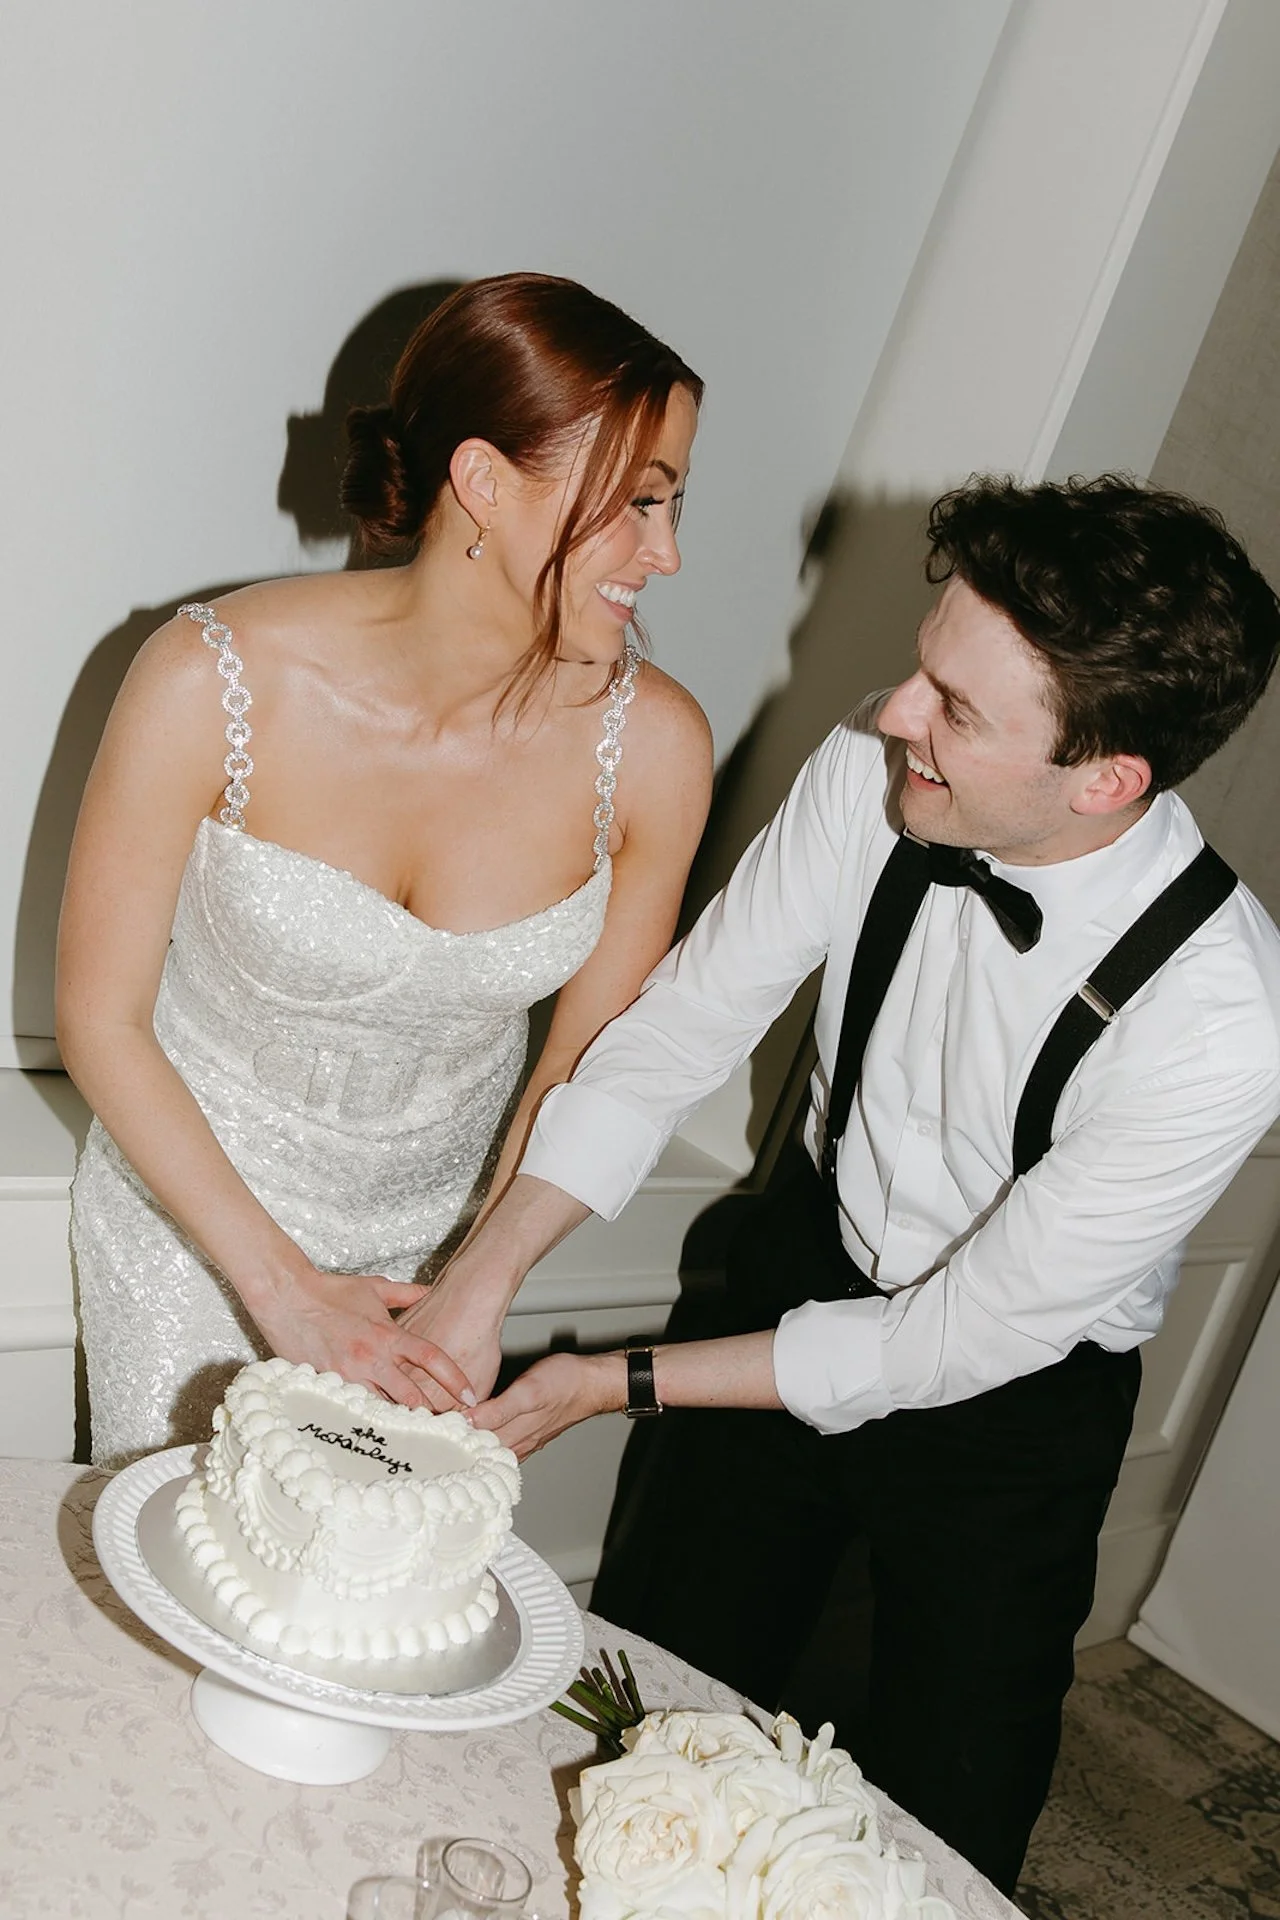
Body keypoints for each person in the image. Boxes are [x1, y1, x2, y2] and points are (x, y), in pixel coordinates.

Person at [411, 475, 1280, 1894]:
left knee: (941, 1817)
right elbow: (679, 1032)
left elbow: (945, 1345)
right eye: (923, 669)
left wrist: (597, 1381)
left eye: (957, 709)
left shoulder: (1225, 1024)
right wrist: (484, 1278)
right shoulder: (870, 778)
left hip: (1014, 1406)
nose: (894, 715)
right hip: (805, 1250)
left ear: (1107, 779)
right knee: (653, 1697)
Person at [57, 272, 711, 1468]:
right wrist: (286, 1291)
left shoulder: (657, 749)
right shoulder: (205, 677)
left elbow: (582, 1065)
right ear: (481, 482)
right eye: (636, 504)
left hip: (439, 1260)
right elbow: (98, 1021)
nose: (664, 553)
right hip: (194, 1226)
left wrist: (479, 1278)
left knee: (360, 1613)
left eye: (672, 506)